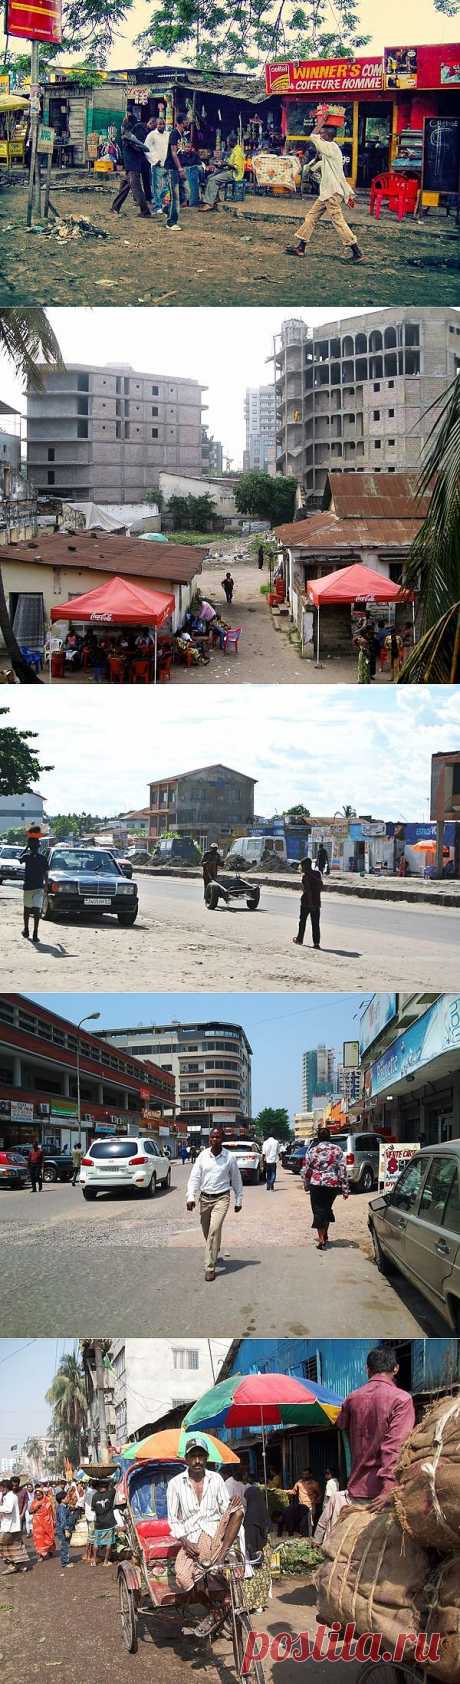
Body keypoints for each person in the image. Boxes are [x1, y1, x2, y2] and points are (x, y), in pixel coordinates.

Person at [167, 1443, 242, 1637]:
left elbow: (225, 1507)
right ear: (186, 1459)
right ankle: (213, 1610)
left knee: (239, 1509)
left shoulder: (216, 1479)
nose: (197, 1460)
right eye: (193, 1456)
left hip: (213, 1533)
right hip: (190, 1536)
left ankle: (221, 1560)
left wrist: (231, 1505)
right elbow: (173, 1519)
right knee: (183, 1578)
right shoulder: (175, 1483)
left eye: (201, 1456)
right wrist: (184, 1541)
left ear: (206, 1458)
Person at [335, 1346, 416, 1507]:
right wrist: (389, 1488)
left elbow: (341, 1425)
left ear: (367, 1370)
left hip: (356, 1492)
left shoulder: (352, 1398)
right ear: (396, 1368)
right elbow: (395, 1446)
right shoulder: (402, 1399)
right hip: (384, 1496)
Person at [285, 108, 363, 263]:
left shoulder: (332, 147)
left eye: (323, 133)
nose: (321, 135)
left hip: (331, 193)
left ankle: (357, 252)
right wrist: (348, 193)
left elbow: (312, 136)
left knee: (338, 221)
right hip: (327, 193)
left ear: (328, 135)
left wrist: (321, 121)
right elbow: (313, 168)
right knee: (311, 217)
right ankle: (301, 247)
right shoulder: (330, 151)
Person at [186, 1125, 243, 1281]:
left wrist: (238, 1199)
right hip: (204, 1198)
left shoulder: (229, 1157)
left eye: (218, 1137)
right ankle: (214, 1250)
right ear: (209, 1138)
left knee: (214, 1229)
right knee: (207, 1231)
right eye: (212, 1137)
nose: (214, 1139)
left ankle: (210, 1267)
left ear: (222, 1139)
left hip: (222, 1198)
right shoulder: (202, 1156)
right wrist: (190, 1196)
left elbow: (236, 1179)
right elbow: (195, 1178)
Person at [302, 1125, 349, 1249]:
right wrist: (345, 1189)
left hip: (316, 1184)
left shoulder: (312, 1150)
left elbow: (307, 1169)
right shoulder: (337, 1149)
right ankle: (325, 1234)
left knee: (318, 1210)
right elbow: (343, 1169)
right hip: (332, 1184)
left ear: (318, 1137)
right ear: (330, 1137)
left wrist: (306, 1184)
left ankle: (322, 1239)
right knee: (326, 1209)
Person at [111, 117, 151, 218]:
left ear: (125, 128)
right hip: (130, 167)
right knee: (124, 188)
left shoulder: (129, 136)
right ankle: (115, 207)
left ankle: (145, 211)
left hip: (133, 168)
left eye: (122, 127)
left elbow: (145, 148)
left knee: (137, 190)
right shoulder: (127, 136)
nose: (121, 129)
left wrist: (136, 146)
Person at [243, 1478, 271, 1614]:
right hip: (265, 1550)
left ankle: (252, 1604)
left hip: (255, 1552)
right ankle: (260, 1604)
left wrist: (253, 1551)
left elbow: (250, 1537)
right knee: (263, 1578)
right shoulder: (263, 1512)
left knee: (252, 1578)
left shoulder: (250, 1516)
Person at [21, 833, 48, 943]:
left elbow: (18, 858)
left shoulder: (26, 856)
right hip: (39, 887)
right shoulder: (43, 858)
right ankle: (35, 933)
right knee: (37, 910)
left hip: (28, 887)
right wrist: (46, 885)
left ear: (30, 847)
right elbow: (46, 873)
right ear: (39, 847)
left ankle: (26, 929)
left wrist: (26, 847)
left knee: (27, 909)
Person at [0, 1479, 29, 1575]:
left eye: (2, 1487)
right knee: (15, 1547)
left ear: (6, 1487)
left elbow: (8, 1509)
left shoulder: (11, 1497)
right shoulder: (7, 1496)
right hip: (10, 1526)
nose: (1, 1489)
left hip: (10, 1527)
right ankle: (18, 1565)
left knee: (5, 1547)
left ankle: (13, 1566)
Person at [164, 116, 187, 230]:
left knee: (183, 194)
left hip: (178, 168)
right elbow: (173, 153)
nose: (188, 122)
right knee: (176, 196)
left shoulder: (181, 135)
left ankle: (167, 209)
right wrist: (180, 169)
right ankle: (171, 222)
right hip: (173, 168)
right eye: (186, 120)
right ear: (181, 122)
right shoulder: (174, 134)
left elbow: (179, 151)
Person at [293, 857, 322, 950]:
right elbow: (320, 887)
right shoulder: (318, 874)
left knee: (302, 922)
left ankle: (299, 939)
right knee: (315, 924)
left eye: (302, 866)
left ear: (306, 865)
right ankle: (316, 943)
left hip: (307, 903)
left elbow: (308, 891)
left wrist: (310, 904)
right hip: (317, 902)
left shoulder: (305, 876)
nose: (301, 868)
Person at [200, 146, 239, 211]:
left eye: (219, 151)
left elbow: (235, 167)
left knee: (213, 180)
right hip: (226, 171)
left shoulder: (235, 153)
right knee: (209, 177)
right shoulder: (214, 158)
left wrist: (225, 164)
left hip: (233, 173)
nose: (217, 152)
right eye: (216, 151)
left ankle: (209, 203)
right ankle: (215, 198)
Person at [145, 115, 169, 211]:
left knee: (168, 186)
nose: (161, 126)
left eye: (163, 124)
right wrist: (155, 160)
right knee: (156, 187)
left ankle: (158, 200)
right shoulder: (152, 135)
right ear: (156, 125)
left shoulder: (168, 134)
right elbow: (146, 148)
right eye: (159, 124)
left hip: (167, 164)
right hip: (157, 165)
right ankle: (157, 206)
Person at [91, 1481, 117, 1565]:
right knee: (108, 1542)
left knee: (96, 1542)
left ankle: (94, 1561)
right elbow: (114, 1487)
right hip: (109, 1522)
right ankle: (105, 1561)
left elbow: (93, 1508)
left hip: (99, 1523)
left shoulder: (95, 1496)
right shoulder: (110, 1493)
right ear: (106, 1486)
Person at [31, 1485, 56, 1559]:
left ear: (42, 1494)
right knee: (39, 1539)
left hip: (47, 1522)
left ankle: (50, 1550)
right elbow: (30, 1511)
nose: (38, 1496)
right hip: (37, 1523)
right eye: (37, 1495)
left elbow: (52, 1511)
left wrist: (54, 1520)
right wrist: (35, 1508)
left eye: (39, 1494)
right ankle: (41, 1555)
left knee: (48, 1537)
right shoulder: (34, 1502)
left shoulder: (48, 1501)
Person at [55, 1489, 74, 1569]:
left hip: (64, 1529)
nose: (68, 1498)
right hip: (63, 1530)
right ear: (62, 1500)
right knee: (64, 1546)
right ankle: (65, 1563)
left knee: (65, 1545)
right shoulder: (62, 1508)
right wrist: (66, 1530)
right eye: (66, 1497)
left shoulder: (64, 1507)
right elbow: (63, 1520)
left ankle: (66, 1560)